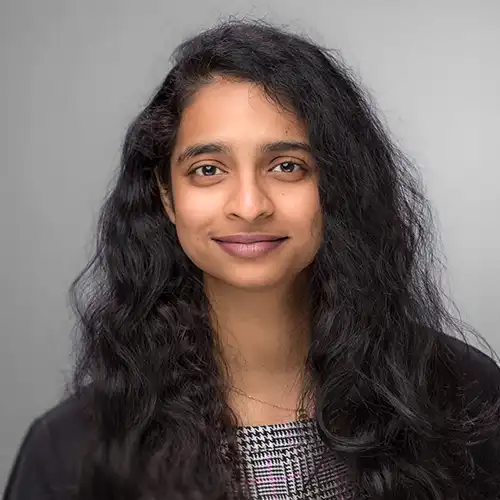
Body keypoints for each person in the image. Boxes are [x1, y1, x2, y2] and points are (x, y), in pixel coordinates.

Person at [3, 19, 500, 500]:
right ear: (167, 196)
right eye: (207, 169)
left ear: (338, 186)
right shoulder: (73, 453)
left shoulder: (464, 398)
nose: (249, 204)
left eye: (287, 166)